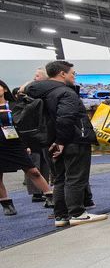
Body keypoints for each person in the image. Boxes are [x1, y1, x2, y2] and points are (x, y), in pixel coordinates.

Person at [23, 61, 107, 226]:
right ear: (62, 73)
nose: (74, 76)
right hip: (72, 140)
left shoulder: (41, 93)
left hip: (51, 140)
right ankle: (77, 213)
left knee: (60, 178)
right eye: (73, 73)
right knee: (76, 177)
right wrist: (61, 141)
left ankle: (61, 216)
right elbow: (66, 117)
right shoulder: (65, 93)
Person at [0, 80, 54, 215]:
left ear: (5, 89)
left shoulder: (15, 105)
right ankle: (6, 204)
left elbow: (25, 124)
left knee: (33, 171)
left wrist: (36, 79)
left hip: (16, 143)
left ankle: (50, 196)